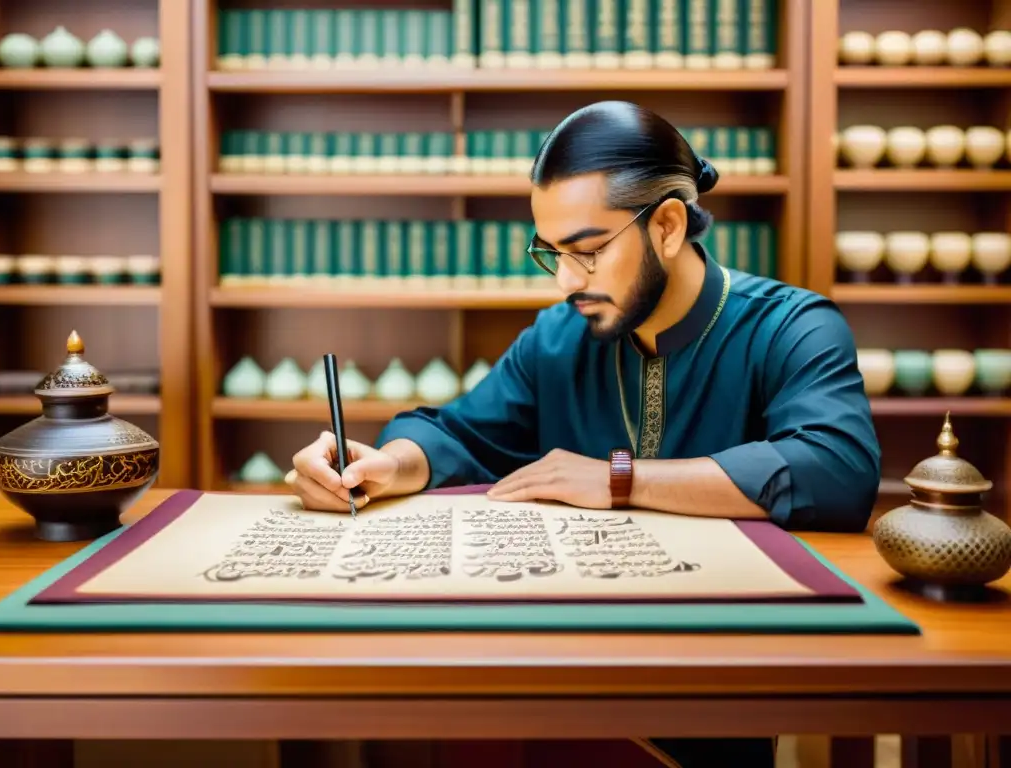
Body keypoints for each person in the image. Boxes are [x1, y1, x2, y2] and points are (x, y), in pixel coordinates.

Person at [286, 100, 882, 767]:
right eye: (553, 254)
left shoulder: (791, 328)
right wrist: (385, 466)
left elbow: (837, 469)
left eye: (588, 253)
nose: (568, 282)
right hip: (567, 684)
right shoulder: (560, 339)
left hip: (727, 677)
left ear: (666, 225)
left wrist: (617, 478)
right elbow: (454, 433)